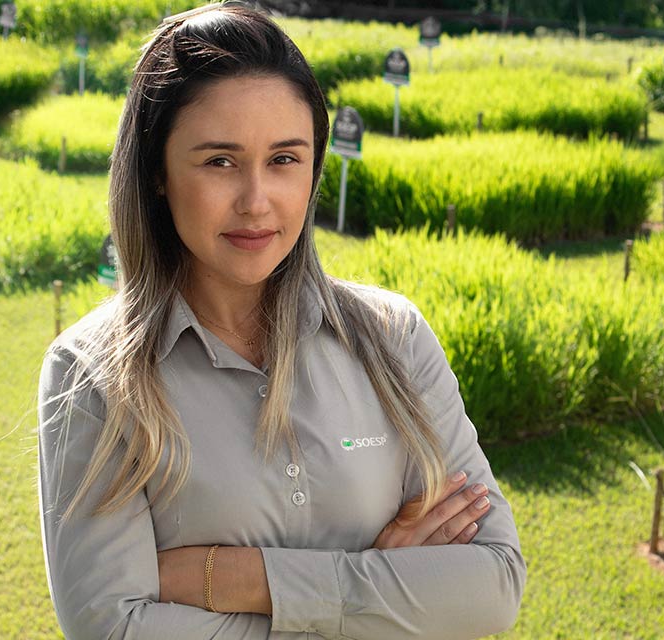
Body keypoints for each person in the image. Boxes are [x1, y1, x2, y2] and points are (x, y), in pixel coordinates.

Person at [36, 3, 526, 638]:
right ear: (157, 171)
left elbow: (492, 585)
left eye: (285, 159)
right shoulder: (96, 377)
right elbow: (115, 629)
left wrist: (238, 579)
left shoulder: (393, 337)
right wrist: (383, 585)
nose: (256, 201)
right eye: (220, 161)